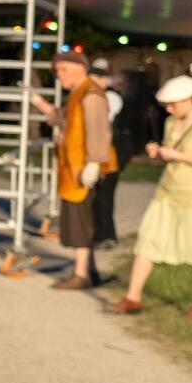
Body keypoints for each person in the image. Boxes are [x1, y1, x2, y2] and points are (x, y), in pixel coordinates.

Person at [110, 75, 192, 319]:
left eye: (173, 104)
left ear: (189, 100)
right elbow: (170, 155)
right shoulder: (171, 123)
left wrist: (177, 156)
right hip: (166, 193)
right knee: (147, 241)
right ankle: (133, 297)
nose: (169, 110)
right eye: (167, 105)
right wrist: (159, 153)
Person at [30, 50, 118, 290]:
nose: (58, 74)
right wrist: (39, 102)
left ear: (79, 69)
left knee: (81, 222)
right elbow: (63, 119)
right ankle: (88, 271)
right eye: (57, 70)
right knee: (82, 221)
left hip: (84, 169)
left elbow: (99, 129)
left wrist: (94, 162)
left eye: (63, 69)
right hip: (76, 169)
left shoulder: (91, 94)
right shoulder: (78, 94)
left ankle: (81, 275)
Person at [88, 57, 134, 249]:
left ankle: (107, 235)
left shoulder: (110, 97)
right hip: (101, 153)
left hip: (108, 155)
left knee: (104, 197)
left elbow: (103, 126)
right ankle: (98, 234)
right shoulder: (97, 96)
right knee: (97, 197)